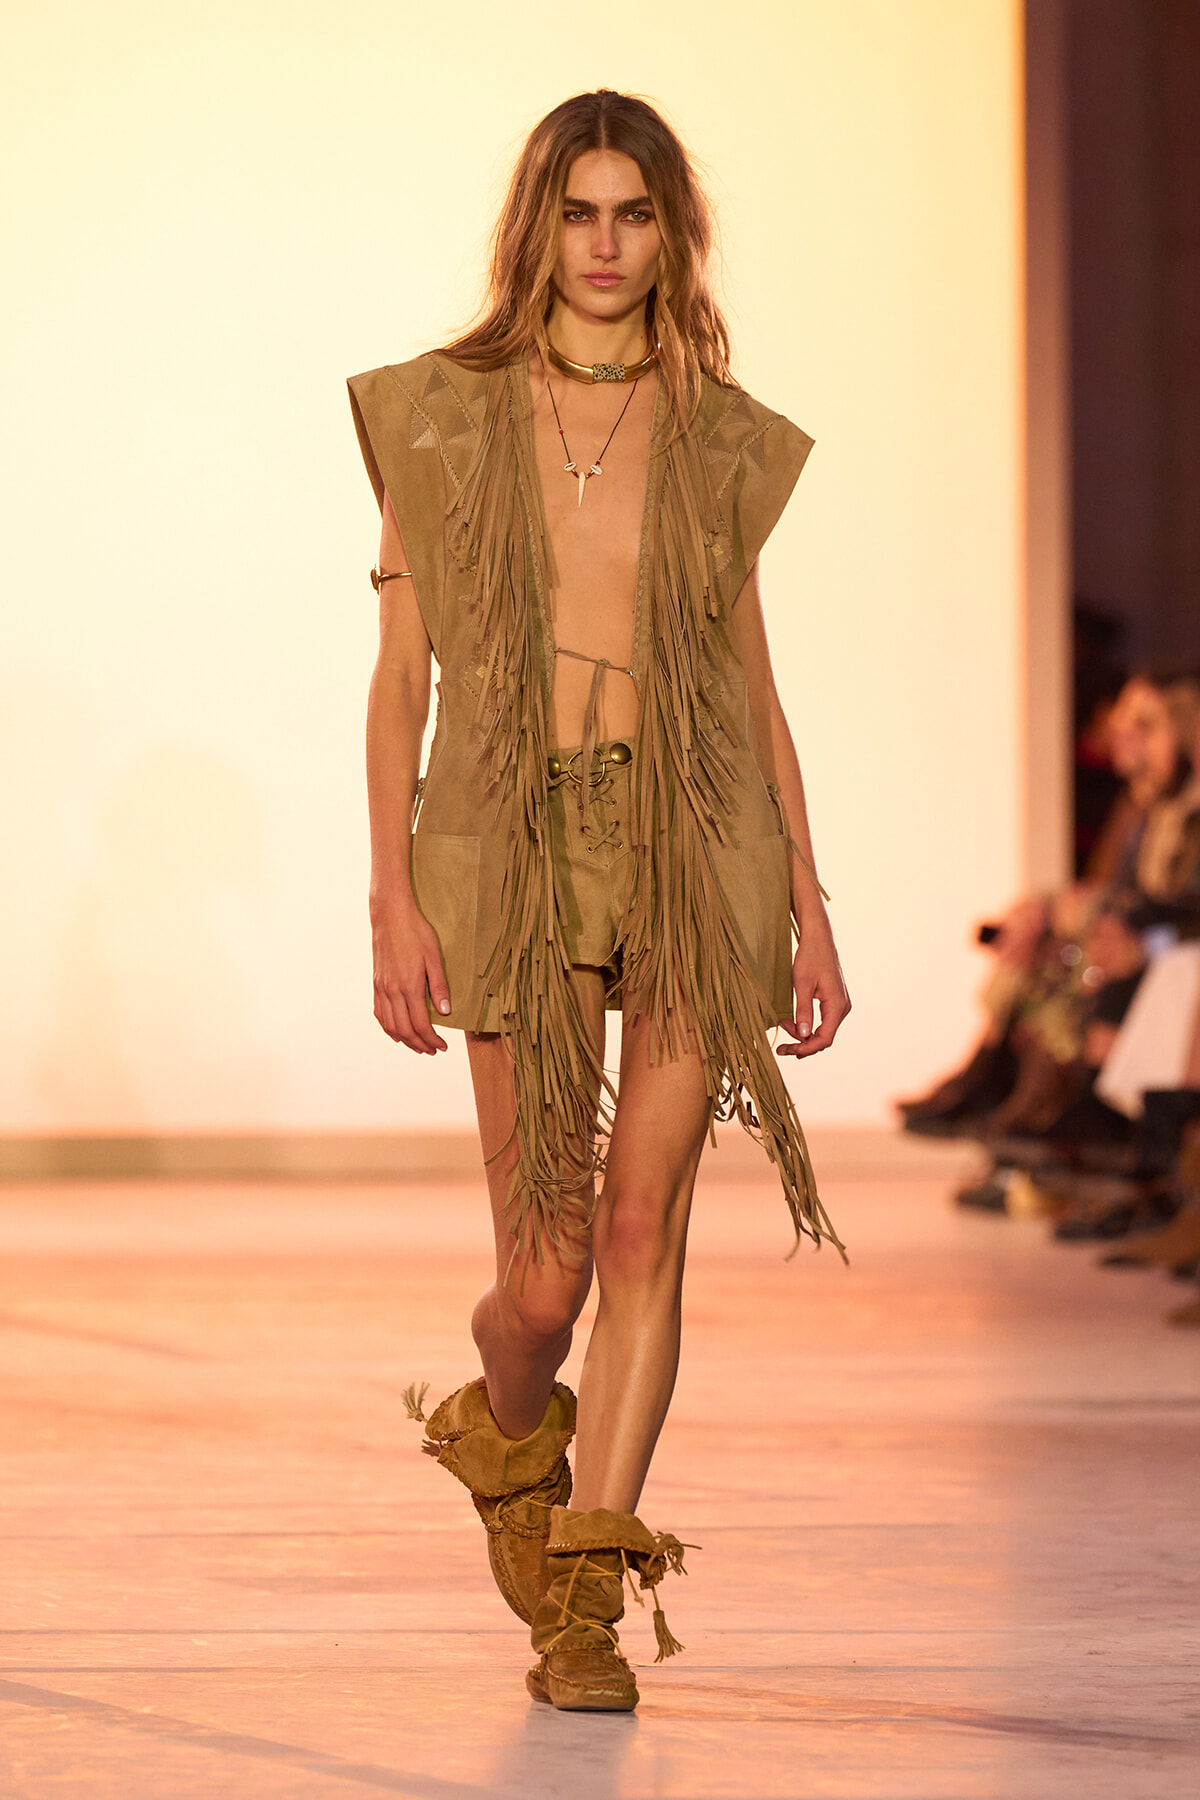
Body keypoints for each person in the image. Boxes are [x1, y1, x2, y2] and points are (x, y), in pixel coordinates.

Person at [348, 89, 849, 1714]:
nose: (611, 246)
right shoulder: (441, 414)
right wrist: (389, 897)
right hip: (505, 844)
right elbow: (399, 677)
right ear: (539, 226)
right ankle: (507, 1437)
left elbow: (751, 678)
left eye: (637, 215)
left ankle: (589, 1587)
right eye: (582, 214)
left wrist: (813, 895)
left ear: (671, 233)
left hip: (698, 844)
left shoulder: (716, 431)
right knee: (547, 1277)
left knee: (647, 1233)